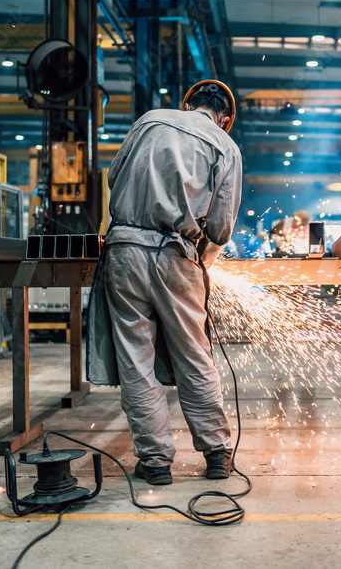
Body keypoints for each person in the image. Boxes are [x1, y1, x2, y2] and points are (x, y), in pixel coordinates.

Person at [97, 79, 242, 487]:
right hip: (176, 256)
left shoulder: (148, 121)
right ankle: (215, 453)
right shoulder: (225, 145)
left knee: (136, 360)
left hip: (123, 249)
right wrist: (204, 261)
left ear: (187, 103)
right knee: (194, 353)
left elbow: (114, 178)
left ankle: (156, 462)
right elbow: (221, 226)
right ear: (224, 118)